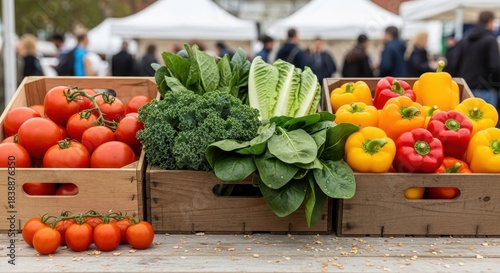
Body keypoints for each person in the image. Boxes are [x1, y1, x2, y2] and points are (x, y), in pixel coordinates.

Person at [450, 11, 500, 109]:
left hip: (465, 88)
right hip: (485, 89)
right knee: (487, 121)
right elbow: (496, 66)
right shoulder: (490, 39)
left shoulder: (464, 39)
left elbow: (454, 62)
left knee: (466, 122)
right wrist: (495, 84)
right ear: (490, 21)